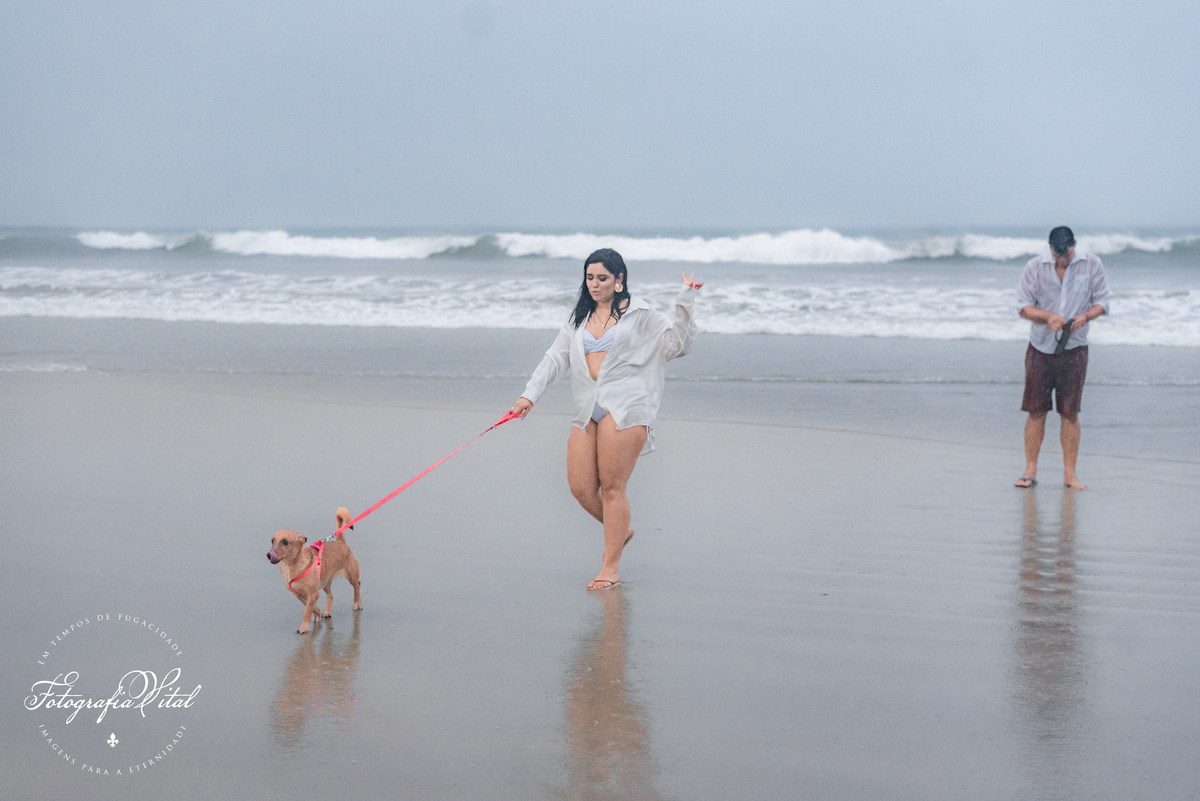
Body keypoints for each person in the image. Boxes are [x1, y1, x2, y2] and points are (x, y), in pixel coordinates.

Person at [510, 248, 702, 589]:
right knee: (581, 488)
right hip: (588, 407)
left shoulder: (642, 315)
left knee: (613, 489)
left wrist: (685, 300)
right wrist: (530, 395)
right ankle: (621, 530)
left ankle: (610, 566)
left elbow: (678, 346)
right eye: (589, 278)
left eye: (602, 278)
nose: (594, 284)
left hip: (626, 406)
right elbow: (556, 357)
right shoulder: (579, 317)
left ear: (619, 280)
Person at [1015, 226, 1110, 490]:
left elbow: (1103, 301)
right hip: (1040, 348)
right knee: (1036, 411)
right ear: (1050, 249)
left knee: (1070, 413)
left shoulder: (1092, 264)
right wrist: (1046, 316)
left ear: (1074, 245)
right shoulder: (1035, 266)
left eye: (1065, 254)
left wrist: (1085, 317)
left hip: (1075, 349)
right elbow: (1023, 307)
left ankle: (1070, 475)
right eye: (1057, 255)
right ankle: (1030, 471)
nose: (1062, 260)